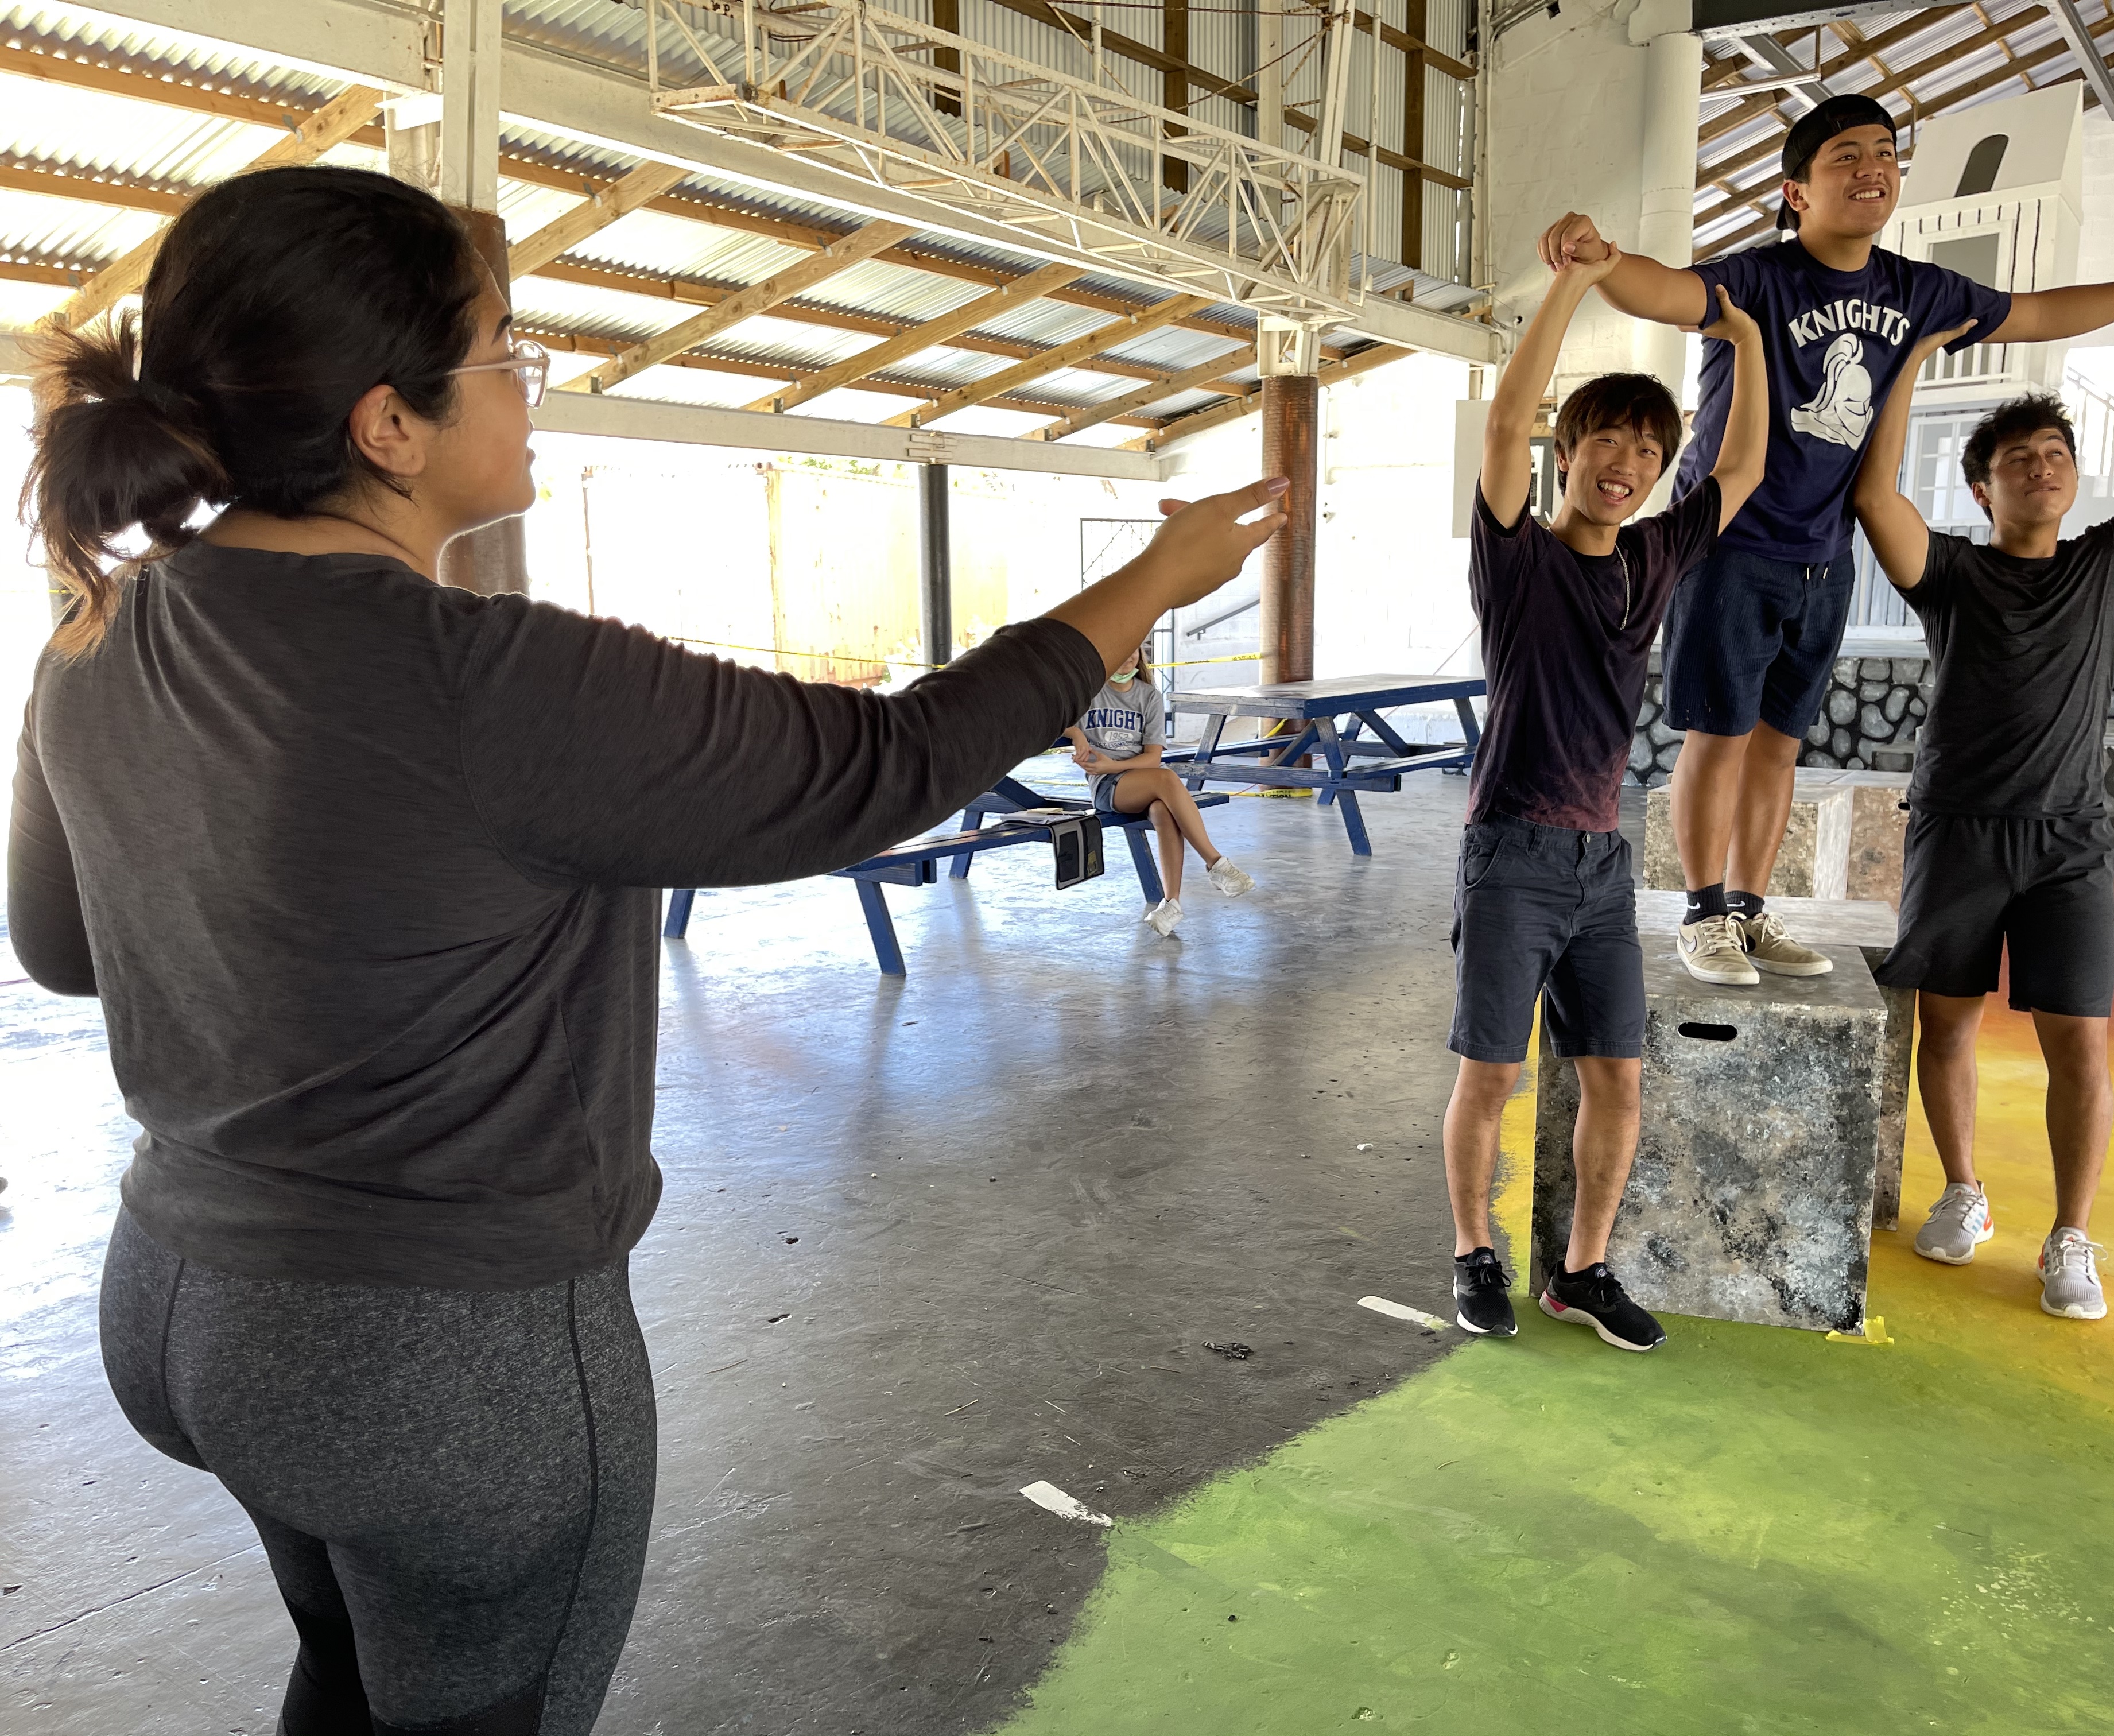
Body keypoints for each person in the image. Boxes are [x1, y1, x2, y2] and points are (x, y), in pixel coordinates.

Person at [6, 164, 1287, 1736]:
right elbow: (878, 771)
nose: (529, 386)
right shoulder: (491, 679)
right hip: (439, 1359)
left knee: (348, 1673)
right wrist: (1151, 582)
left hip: (184, 1310)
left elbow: (63, 950)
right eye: (501, 350)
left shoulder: (96, 634)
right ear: (387, 426)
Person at [1539, 94, 2114, 990]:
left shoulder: (1917, 292)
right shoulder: (1756, 279)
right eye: (1845, 156)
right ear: (1797, 190)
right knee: (1717, 741)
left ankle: (1753, 913)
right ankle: (1703, 912)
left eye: (1884, 151)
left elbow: (2039, 312)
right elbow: (1663, 288)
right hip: (1730, 545)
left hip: (1824, 557)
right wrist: (1603, 261)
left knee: (1778, 746)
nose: (1872, 166)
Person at [1849, 276, 2114, 1323]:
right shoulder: (1950, 573)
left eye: (2053, 457)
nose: (2038, 468)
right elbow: (1875, 496)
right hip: (1956, 827)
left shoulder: (2109, 563)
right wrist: (1911, 361)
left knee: (2079, 1038)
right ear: (1982, 489)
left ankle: (2069, 1234)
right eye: (2015, 461)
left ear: (2073, 480)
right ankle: (1964, 1191)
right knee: (1946, 1025)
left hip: (2067, 839)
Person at [1443, 234, 1767, 1351]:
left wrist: (1749, 340)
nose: (1623, 461)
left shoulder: (1654, 559)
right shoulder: (1516, 557)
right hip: (1512, 852)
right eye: (1603, 442)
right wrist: (1572, 286)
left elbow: (1745, 471)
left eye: (1644, 448)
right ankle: (1472, 1253)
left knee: (1619, 1083)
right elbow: (1501, 425)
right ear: (1566, 454)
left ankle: (1582, 1272)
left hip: (1600, 864)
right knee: (1491, 1074)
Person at [1062, 648, 1254, 936]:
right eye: (1121, 651)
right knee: (1167, 780)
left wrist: (1112, 764)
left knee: (1163, 810)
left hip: (1140, 780)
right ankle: (1216, 863)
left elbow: (1152, 758)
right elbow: (1051, 715)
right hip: (1108, 788)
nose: (1127, 658)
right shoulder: (1090, 693)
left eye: (1134, 652)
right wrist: (1076, 733)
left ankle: (1171, 905)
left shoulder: (1149, 696)